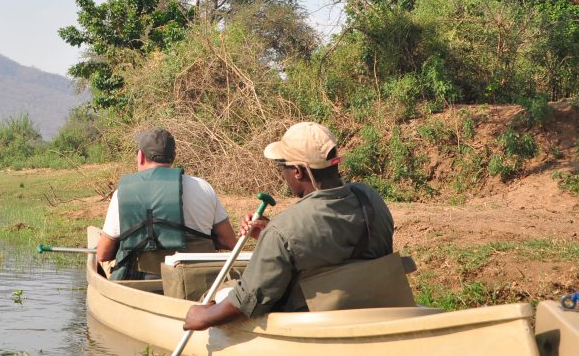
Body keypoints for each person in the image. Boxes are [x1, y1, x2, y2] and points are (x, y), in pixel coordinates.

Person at [183, 121, 395, 330]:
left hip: (315, 321)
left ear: (297, 172)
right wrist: (271, 234)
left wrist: (205, 316)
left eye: (281, 166)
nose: (282, 174)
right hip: (374, 306)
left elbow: (248, 298)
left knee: (218, 294)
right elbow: (329, 243)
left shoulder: (283, 230)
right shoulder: (370, 198)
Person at [96, 127, 237, 280]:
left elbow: (103, 254)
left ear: (141, 156)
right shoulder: (203, 187)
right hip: (199, 281)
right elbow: (229, 241)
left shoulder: (123, 192)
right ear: (173, 156)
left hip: (146, 284)